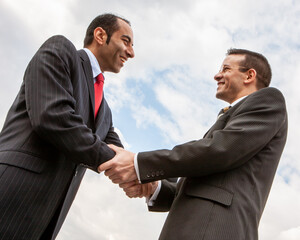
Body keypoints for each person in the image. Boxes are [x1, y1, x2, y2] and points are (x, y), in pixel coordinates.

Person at [99, 49, 288, 240]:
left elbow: (219, 150)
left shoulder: (269, 99)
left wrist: (139, 164)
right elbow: (198, 181)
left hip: (215, 229)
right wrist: (153, 187)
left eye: (226, 69)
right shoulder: (229, 117)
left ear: (249, 75)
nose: (217, 75)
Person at [0, 13, 134, 240]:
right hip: (10, 191)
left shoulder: (106, 112)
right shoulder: (60, 50)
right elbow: (53, 117)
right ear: (100, 35)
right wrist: (126, 167)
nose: (131, 52)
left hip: (47, 215)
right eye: (126, 41)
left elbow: (119, 154)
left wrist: (145, 173)